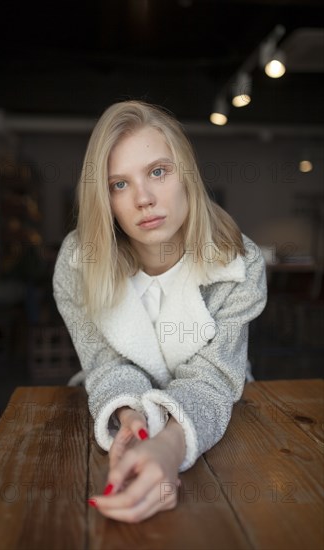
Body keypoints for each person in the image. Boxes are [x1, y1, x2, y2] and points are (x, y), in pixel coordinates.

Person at [53, 100, 267, 523]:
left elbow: (212, 381)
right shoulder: (78, 264)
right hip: (114, 415)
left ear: (185, 172)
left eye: (157, 171)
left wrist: (170, 446)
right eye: (119, 185)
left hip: (221, 423)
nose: (144, 199)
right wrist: (130, 418)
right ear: (105, 198)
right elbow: (104, 362)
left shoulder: (238, 264)